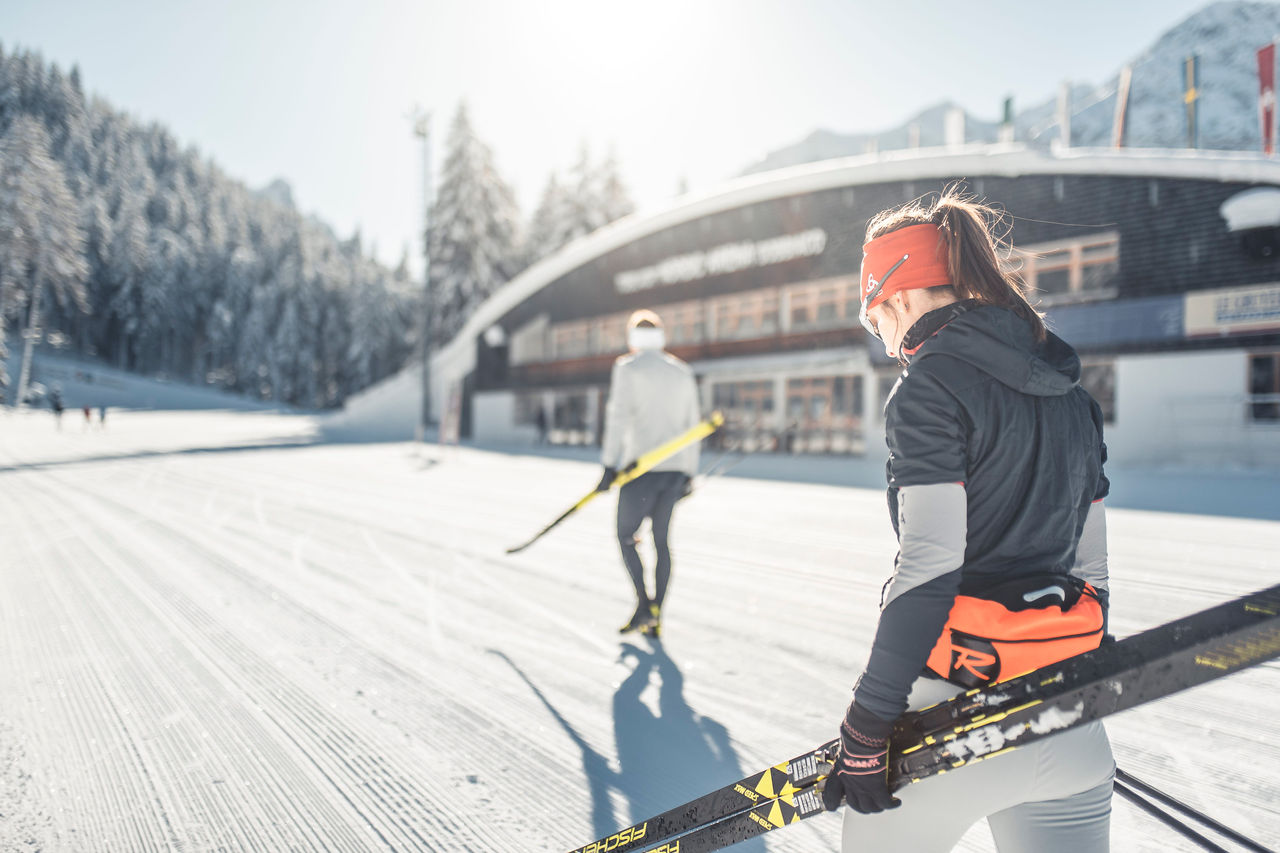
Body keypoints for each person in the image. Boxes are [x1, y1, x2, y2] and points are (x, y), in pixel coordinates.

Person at [821, 190, 1114, 853]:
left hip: (951, 721)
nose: (885, 342)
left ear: (895, 296)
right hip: (1068, 722)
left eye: (876, 324)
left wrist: (869, 724)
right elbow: (1091, 571)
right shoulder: (1072, 393)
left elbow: (929, 563)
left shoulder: (929, 384)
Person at [598, 310, 701, 638]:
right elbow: (693, 424)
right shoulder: (681, 371)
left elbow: (618, 417)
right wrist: (689, 472)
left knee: (626, 536)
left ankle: (644, 604)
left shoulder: (627, 368)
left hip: (640, 471)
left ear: (633, 338)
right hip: (673, 472)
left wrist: (608, 465)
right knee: (661, 542)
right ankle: (655, 615)